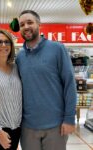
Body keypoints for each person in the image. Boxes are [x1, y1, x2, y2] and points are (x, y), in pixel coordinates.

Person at [16, 10, 77, 150]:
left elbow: (69, 85)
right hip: (27, 128)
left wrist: (69, 118)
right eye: (22, 24)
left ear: (39, 24)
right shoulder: (20, 57)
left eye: (30, 22)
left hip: (55, 127)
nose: (26, 27)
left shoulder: (57, 49)